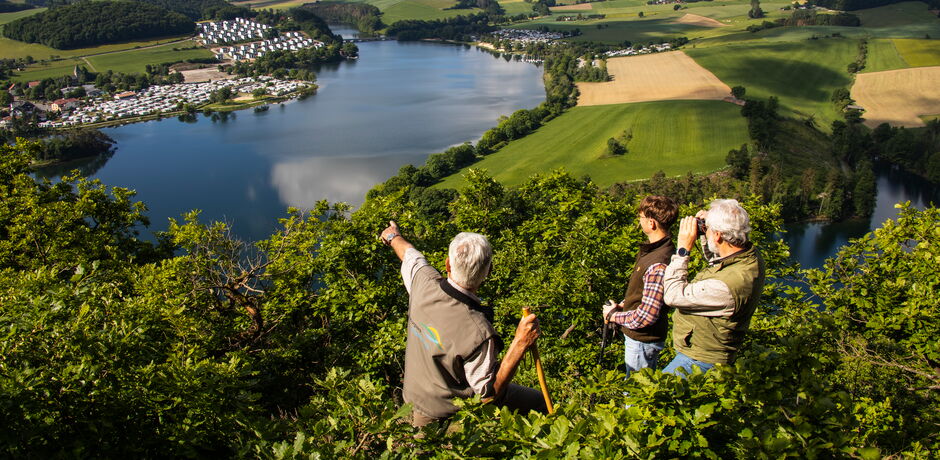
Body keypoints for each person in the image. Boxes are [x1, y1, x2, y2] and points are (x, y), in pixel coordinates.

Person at [380, 221, 547, 427]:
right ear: (489, 271)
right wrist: (520, 343)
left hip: (414, 399)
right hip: (448, 411)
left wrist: (392, 236)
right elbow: (488, 394)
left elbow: (408, 254)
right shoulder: (478, 331)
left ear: (447, 264)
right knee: (538, 402)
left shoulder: (422, 281)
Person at [661, 199, 766, 375]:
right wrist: (706, 231)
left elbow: (672, 295)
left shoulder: (727, 285)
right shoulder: (748, 256)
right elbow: (717, 260)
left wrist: (682, 250)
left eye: (708, 229)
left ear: (718, 235)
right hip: (701, 352)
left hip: (700, 360)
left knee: (647, 401)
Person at [601, 195, 678, 376]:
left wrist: (613, 315)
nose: (639, 222)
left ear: (651, 223)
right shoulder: (658, 251)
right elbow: (648, 295)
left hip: (642, 341)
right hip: (642, 339)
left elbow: (646, 317)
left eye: (641, 218)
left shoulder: (657, 262)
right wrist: (624, 304)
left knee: (637, 393)